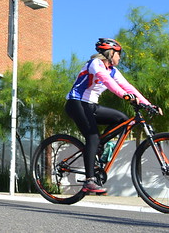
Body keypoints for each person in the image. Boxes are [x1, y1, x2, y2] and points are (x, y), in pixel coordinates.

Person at [65, 38, 159, 194]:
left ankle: (98, 147)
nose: (120, 58)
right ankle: (89, 181)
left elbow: (127, 86)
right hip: (76, 103)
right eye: (119, 54)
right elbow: (108, 82)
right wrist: (125, 96)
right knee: (92, 137)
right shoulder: (95, 64)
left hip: (91, 105)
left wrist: (148, 104)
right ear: (110, 53)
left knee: (122, 119)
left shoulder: (113, 70)